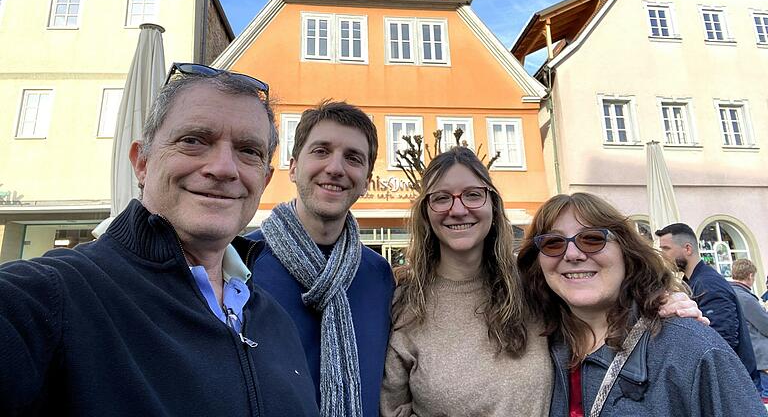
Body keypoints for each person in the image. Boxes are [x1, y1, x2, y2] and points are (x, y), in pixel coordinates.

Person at [0, 65, 319, 416]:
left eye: (248, 151)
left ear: (265, 178)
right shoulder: (51, 297)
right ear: (142, 162)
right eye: (194, 141)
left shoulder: (275, 320)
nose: (225, 168)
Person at [379, 149, 703, 416]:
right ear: (426, 211)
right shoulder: (405, 303)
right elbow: (390, 408)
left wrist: (660, 299)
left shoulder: (534, 286)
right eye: (441, 198)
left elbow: (600, 296)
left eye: (473, 195)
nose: (458, 209)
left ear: (493, 205)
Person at [517, 192, 766, 416]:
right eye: (553, 243)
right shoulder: (535, 347)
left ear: (626, 251)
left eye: (592, 239)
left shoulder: (691, 349)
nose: (572, 254)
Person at [246, 101, 394, 417]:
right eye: (321, 151)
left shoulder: (380, 275)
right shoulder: (239, 264)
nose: (336, 168)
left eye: (353, 158)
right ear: (294, 167)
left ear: (366, 181)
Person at [656, 223, 759, 384]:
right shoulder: (692, 283)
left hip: (730, 383)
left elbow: (722, 340)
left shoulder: (708, 284)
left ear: (688, 249)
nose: (662, 255)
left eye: (666, 249)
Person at [731, 258, 768, 402]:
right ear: (750, 276)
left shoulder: (732, 292)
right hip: (761, 357)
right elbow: (765, 325)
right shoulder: (745, 297)